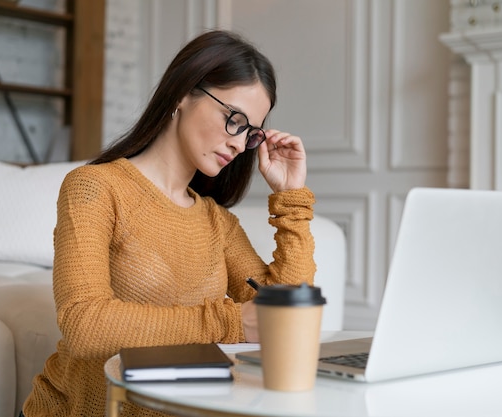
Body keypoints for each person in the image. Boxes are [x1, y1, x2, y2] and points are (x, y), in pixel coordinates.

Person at [20, 30, 316, 417]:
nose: (238, 143)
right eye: (234, 119)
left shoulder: (216, 222)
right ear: (182, 93)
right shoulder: (95, 188)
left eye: (250, 133)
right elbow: (84, 325)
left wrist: (291, 199)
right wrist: (232, 321)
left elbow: (284, 312)